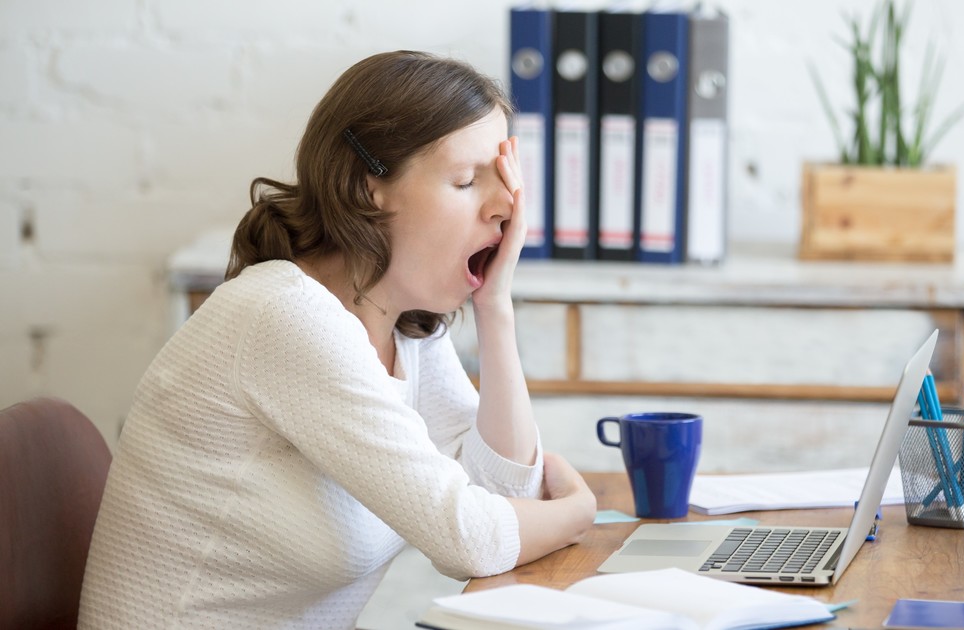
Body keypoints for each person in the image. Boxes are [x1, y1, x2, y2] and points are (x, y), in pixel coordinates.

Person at [78, 51, 597, 629]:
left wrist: (494, 306)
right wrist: (579, 512)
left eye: (502, 179)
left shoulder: (403, 322)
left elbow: (502, 493)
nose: (505, 208)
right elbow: (471, 540)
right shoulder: (287, 316)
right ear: (367, 186)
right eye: (466, 180)